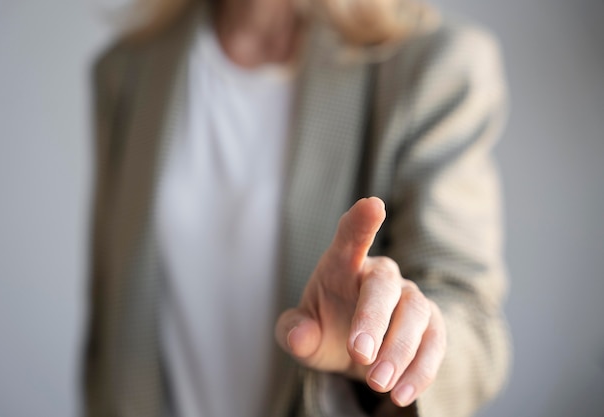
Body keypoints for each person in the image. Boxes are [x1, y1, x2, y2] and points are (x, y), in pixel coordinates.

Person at [83, 0, 511, 416]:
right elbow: (110, 321)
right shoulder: (128, 69)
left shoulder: (434, 66)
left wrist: (396, 344)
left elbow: (471, 324)